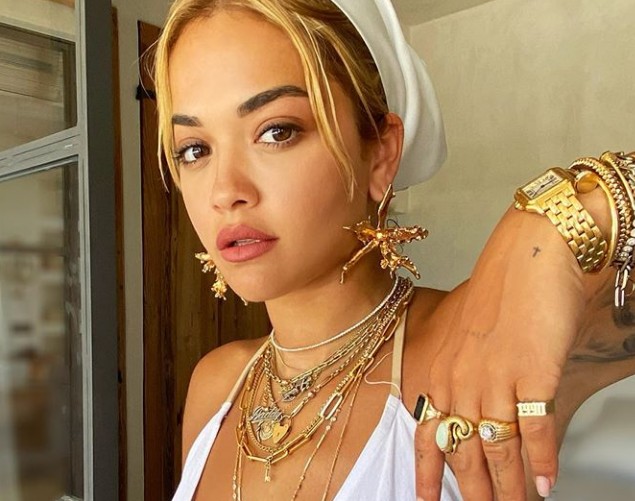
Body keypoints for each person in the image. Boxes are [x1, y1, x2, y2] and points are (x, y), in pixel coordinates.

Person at [153, 0, 635, 499]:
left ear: (381, 153)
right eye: (194, 149)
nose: (224, 191)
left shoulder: (476, 348)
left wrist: (549, 219)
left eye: (277, 131)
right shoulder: (216, 384)